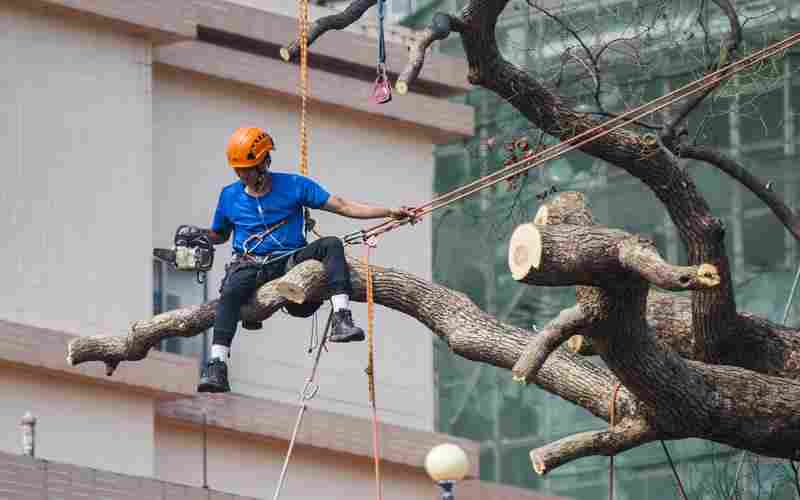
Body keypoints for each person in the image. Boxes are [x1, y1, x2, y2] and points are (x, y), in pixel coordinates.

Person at [193, 127, 414, 393]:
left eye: (249, 168)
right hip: (250, 263)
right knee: (230, 291)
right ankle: (217, 366)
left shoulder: (294, 186)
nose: (244, 175)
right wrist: (198, 235)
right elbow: (220, 234)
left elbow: (342, 205)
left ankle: (341, 318)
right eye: (239, 170)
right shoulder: (229, 195)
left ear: (265, 162)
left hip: (290, 259)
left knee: (331, 244)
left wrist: (388, 212)